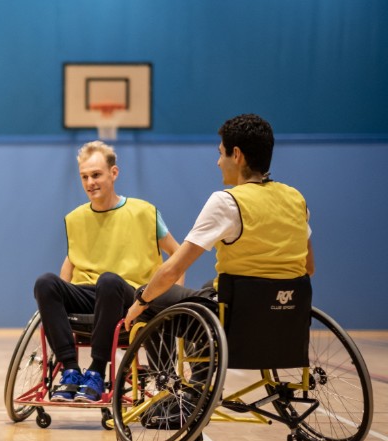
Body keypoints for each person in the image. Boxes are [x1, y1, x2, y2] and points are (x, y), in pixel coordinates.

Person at [123, 113, 313, 329]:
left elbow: (172, 271)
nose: (218, 162)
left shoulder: (227, 202)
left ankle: (170, 364)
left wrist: (140, 302)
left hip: (235, 320)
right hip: (286, 318)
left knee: (151, 293)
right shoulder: (297, 199)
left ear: (237, 155)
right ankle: (199, 363)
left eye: (222, 153)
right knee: (207, 287)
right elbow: (309, 267)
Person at [35, 141, 184, 403]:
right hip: (90, 294)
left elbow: (177, 255)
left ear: (113, 173)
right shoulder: (76, 218)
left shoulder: (144, 212)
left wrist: (169, 301)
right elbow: (70, 262)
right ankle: (70, 370)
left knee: (109, 281)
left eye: (96, 174)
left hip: (130, 296)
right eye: (84, 177)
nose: (90, 182)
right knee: (45, 283)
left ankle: (96, 371)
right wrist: (57, 297)